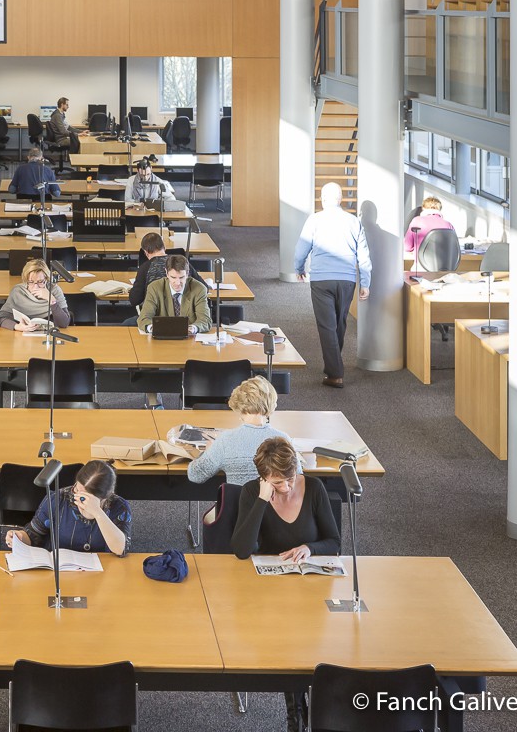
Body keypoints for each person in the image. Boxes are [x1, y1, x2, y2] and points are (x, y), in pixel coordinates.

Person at [230, 437, 340, 732]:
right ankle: (296, 713)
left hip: (310, 588)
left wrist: (310, 548)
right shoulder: (253, 492)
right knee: (287, 638)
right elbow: (242, 549)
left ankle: (300, 713)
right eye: (278, 482)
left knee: (315, 638)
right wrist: (263, 499)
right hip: (269, 593)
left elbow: (334, 541)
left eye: (290, 479)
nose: (287, 487)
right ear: (263, 478)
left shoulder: (314, 488)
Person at [293, 182, 372, 388]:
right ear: (341, 199)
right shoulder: (354, 221)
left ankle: (335, 373)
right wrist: (365, 282)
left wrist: (299, 268)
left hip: (321, 279)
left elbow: (302, 248)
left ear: (322, 199)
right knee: (339, 323)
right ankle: (333, 367)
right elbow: (363, 255)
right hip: (347, 280)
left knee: (327, 326)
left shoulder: (315, 220)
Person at [185, 377, 303, 486]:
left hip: (241, 507)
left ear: (238, 405)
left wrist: (207, 452)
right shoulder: (283, 439)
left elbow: (195, 475)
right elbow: (298, 478)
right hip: (276, 507)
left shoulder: (226, 440)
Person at [6, 460, 131, 556]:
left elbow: (120, 549)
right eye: (76, 489)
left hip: (102, 574)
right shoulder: (58, 499)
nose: (76, 497)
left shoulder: (119, 507)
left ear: (105, 497)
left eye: (84, 497)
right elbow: (33, 535)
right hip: (61, 572)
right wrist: (20, 537)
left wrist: (98, 513)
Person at [136, 254, 212, 334]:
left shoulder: (199, 289)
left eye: (181, 277)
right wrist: (152, 328)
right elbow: (143, 318)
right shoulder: (155, 288)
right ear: (167, 273)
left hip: (188, 339)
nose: (178, 283)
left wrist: (193, 328)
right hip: (162, 338)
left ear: (187, 274)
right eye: (173, 277)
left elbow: (205, 320)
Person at [0, 258, 71, 331]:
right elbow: (0, 319)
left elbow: (64, 324)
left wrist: (52, 300)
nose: (35, 287)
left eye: (40, 282)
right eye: (31, 282)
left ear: (46, 279)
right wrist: (17, 326)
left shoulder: (54, 290)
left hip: (49, 334)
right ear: (25, 280)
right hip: (23, 336)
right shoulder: (18, 291)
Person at [127, 232, 171, 312]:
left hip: (154, 317)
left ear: (146, 252)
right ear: (164, 247)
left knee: (126, 324)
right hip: (183, 317)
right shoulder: (182, 263)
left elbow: (134, 300)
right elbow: (200, 285)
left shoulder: (145, 267)